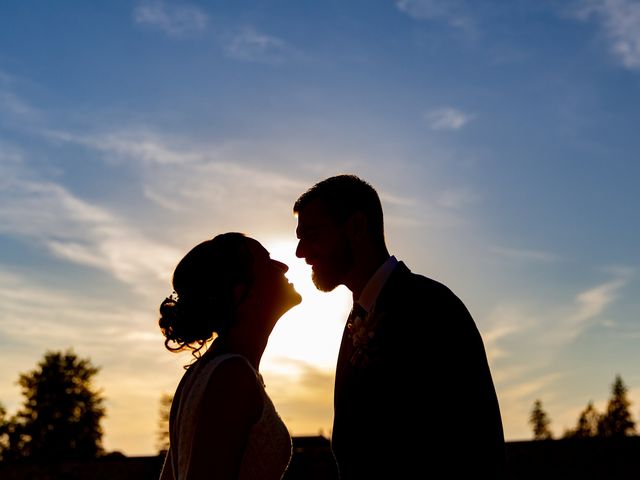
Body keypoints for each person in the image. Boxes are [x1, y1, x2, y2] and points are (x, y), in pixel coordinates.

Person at [293, 175, 506, 479]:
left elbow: (476, 444)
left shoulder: (432, 307)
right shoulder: (355, 321)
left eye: (312, 235)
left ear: (356, 226)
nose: (301, 252)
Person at [157, 232, 302, 480]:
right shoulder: (231, 377)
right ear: (241, 292)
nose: (283, 265)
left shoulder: (203, 373)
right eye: (267, 261)